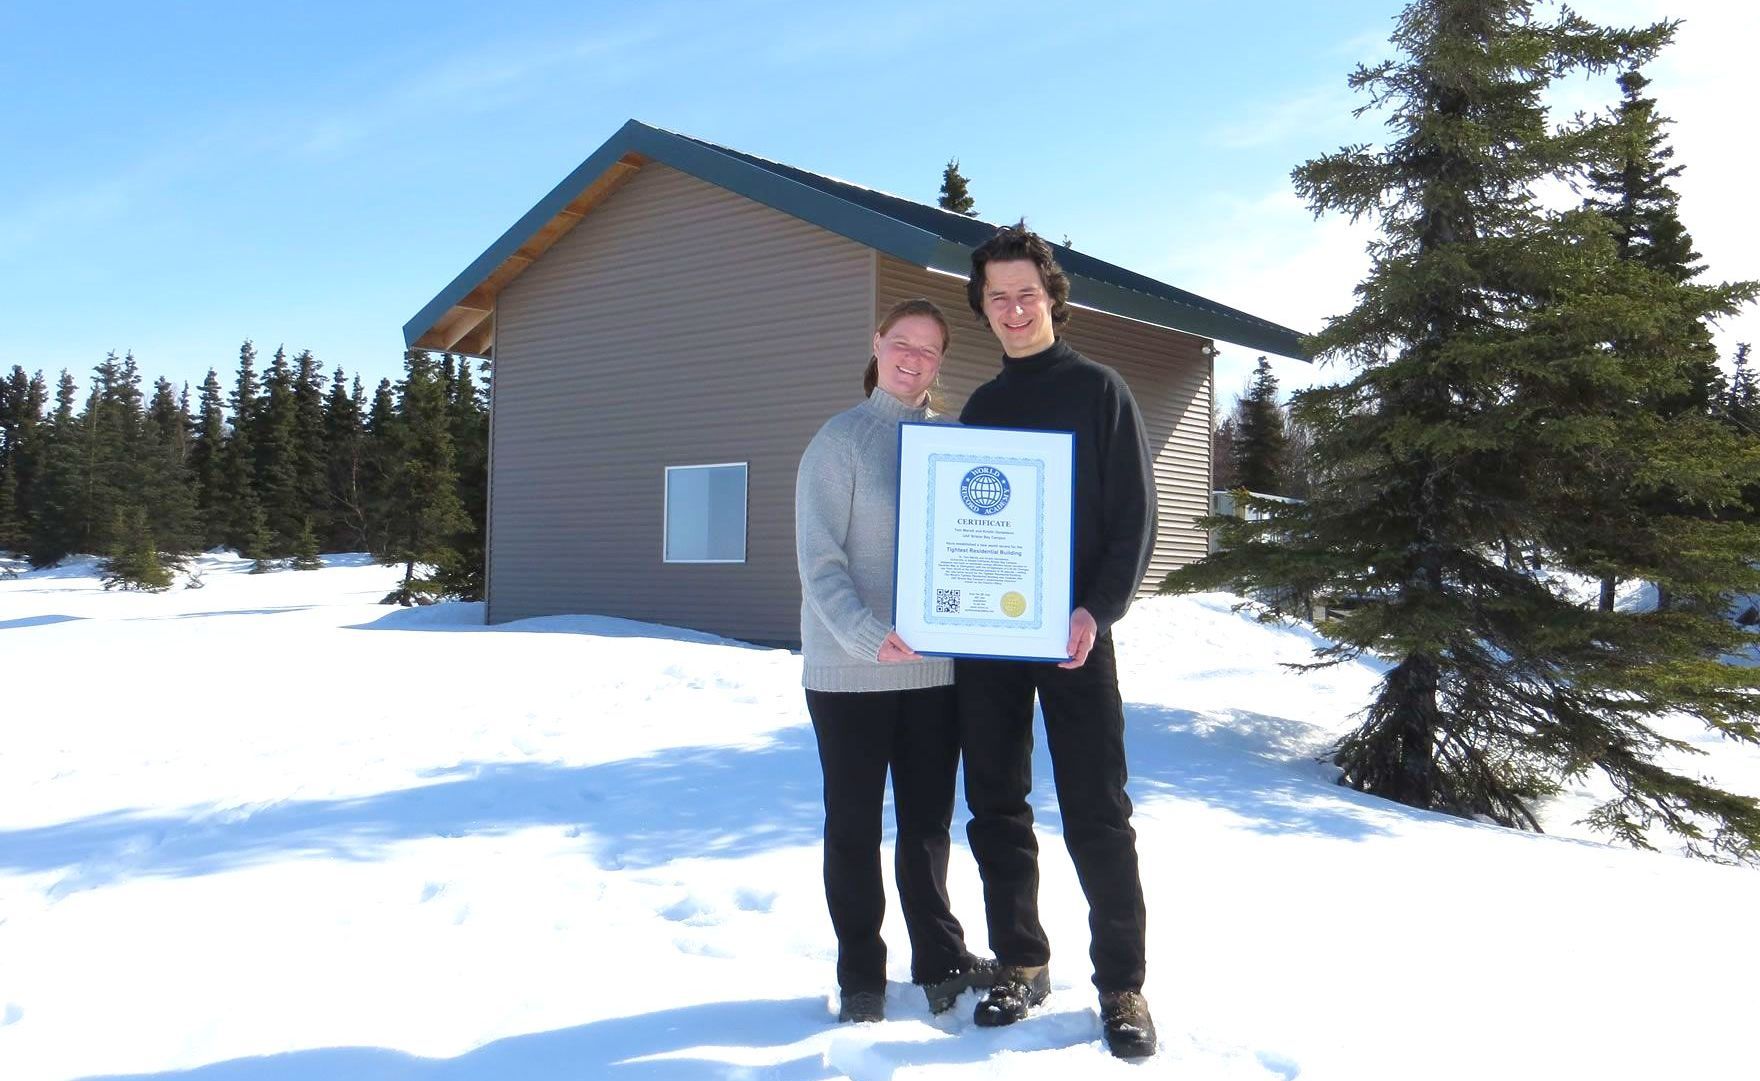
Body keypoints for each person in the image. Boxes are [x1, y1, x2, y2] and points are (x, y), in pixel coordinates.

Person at [954, 224, 1159, 1058]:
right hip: (990, 640)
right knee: (996, 804)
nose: (1011, 309)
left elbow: (1133, 520)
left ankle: (1123, 984)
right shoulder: (982, 407)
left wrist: (1095, 610)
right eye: (996, 296)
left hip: (1075, 636)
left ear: (1052, 299)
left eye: (1024, 294)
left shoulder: (1099, 391)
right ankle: (1021, 960)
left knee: (1097, 812)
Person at [795, 297, 995, 1024]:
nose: (914, 357)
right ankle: (861, 976)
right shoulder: (840, 441)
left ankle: (939, 959)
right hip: (851, 672)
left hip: (932, 673)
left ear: (941, 362)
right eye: (902, 342)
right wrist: (865, 632)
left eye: (931, 349)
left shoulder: (954, 445)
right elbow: (820, 564)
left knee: (927, 824)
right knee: (852, 824)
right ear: (877, 344)